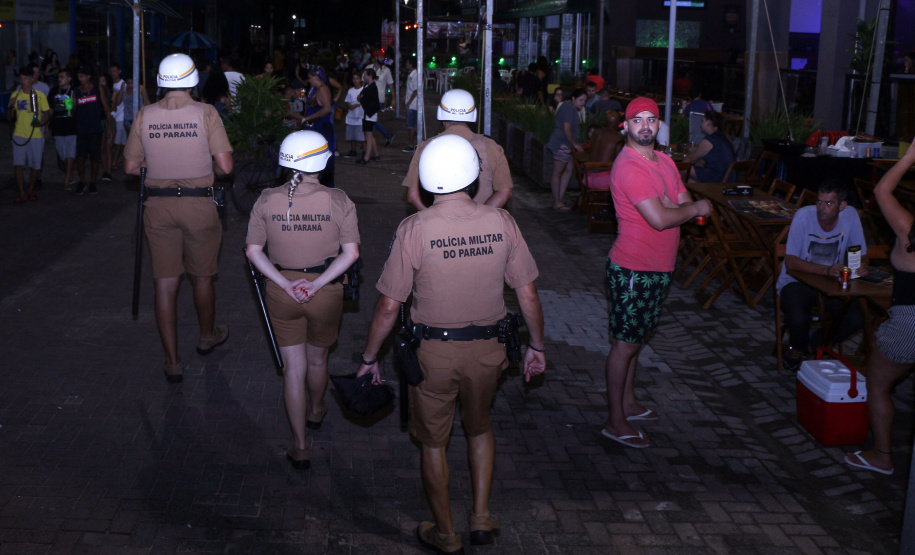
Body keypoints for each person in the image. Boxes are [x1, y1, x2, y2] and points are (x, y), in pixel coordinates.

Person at [357, 134, 546, 554]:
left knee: (433, 442)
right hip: (490, 352)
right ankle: (480, 516)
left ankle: (445, 533)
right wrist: (537, 346)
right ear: (473, 174)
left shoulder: (414, 228)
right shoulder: (501, 223)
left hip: (433, 357)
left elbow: (389, 307)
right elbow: (528, 295)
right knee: (479, 428)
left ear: (426, 177)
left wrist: (370, 358)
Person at [245, 130, 360, 470]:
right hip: (324, 293)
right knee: (317, 360)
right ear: (322, 161)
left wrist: (283, 282)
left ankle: (300, 445)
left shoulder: (266, 199)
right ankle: (316, 409)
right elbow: (351, 254)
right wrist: (317, 284)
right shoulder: (339, 200)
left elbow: (253, 251)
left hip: (281, 294)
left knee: (292, 370)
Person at [603, 97, 712, 448]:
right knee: (624, 345)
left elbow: (677, 202)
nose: (645, 126)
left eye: (652, 119)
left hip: (658, 268)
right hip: (633, 268)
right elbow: (663, 217)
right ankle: (615, 420)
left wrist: (680, 206)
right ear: (626, 125)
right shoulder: (630, 166)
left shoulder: (664, 161)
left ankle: (629, 403)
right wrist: (692, 207)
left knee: (636, 341)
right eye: (638, 120)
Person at [124, 53, 234, 384]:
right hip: (199, 205)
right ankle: (206, 336)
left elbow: (130, 167)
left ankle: (172, 361)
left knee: (165, 282)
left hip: (157, 207)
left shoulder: (145, 114)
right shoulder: (206, 113)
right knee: (202, 277)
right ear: (192, 80)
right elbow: (226, 167)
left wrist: (157, 163)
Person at [844, 145, 915, 476]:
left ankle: (882, 455)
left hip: (911, 321)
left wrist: (909, 157)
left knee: (877, 381)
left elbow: (881, 189)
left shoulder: (907, 228)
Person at [775, 180, 870, 372]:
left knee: (856, 318)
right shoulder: (803, 217)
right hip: (797, 281)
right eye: (819, 202)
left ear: (842, 205)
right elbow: (791, 262)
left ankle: (815, 344)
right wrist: (826, 270)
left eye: (828, 203)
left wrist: (862, 265)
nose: (821, 208)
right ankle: (798, 347)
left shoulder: (850, 216)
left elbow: (859, 252)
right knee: (799, 317)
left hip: (830, 285)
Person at [403, 89, 513, 211]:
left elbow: (412, 196)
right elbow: (505, 191)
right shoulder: (492, 146)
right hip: (482, 228)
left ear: (440, 113)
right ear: (473, 115)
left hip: (439, 226)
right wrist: (480, 217)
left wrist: (431, 217)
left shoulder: (425, 147)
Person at [8, 65, 50, 203]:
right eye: (21, 79)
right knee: (18, 165)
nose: (23, 81)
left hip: (35, 135)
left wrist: (41, 124)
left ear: (32, 79)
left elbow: (46, 114)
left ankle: (30, 190)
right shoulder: (16, 94)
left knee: (34, 165)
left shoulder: (39, 95)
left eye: (25, 79)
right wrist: (10, 106)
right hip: (19, 134)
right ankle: (21, 192)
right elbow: (9, 117)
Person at [546, 87, 587, 211]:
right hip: (562, 143)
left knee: (568, 170)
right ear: (573, 98)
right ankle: (557, 202)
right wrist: (576, 144)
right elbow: (567, 129)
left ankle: (560, 199)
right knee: (558, 172)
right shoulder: (569, 108)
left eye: (584, 101)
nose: (583, 103)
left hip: (565, 142)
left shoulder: (569, 107)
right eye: (581, 100)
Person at [73, 66, 110, 195]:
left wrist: (109, 126)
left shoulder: (97, 89)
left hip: (95, 128)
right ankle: (82, 181)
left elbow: (105, 107)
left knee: (95, 157)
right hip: (82, 129)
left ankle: (93, 182)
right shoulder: (76, 91)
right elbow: (72, 109)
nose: (80, 79)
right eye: (78, 76)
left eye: (82, 76)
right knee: (80, 158)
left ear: (88, 76)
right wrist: (67, 104)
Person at [301, 66, 336, 188]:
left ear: (317, 78)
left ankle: (324, 187)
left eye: (311, 78)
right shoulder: (315, 88)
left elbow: (327, 109)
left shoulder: (323, 89)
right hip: (315, 127)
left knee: (322, 160)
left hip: (321, 128)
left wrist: (309, 118)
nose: (309, 80)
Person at [683, 110, 735, 183]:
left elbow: (692, 159)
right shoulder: (724, 137)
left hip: (717, 177)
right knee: (688, 180)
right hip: (728, 177)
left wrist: (687, 157)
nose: (701, 124)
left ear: (708, 123)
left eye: (702, 121)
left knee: (683, 169)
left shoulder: (709, 140)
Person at [49, 68, 78, 190]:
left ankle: (66, 180)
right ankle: (69, 174)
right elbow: (50, 110)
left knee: (70, 154)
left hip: (71, 127)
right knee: (62, 154)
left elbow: (75, 109)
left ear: (69, 78)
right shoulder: (54, 91)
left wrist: (72, 103)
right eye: (59, 77)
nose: (60, 79)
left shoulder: (74, 91)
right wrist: (47, 127)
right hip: (57, 127)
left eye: (62, 77)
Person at [366, 51, 394, 146]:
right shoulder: (368, 68)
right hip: (368, 99)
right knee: (372, 120)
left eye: (383, 57)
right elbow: (363, 82)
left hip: (379, 100)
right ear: (376, 57)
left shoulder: (386, 70)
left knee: (372, 120)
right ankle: (387, 135)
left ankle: (370, 143)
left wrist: (393, 98)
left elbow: (390, 84)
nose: (383, 59)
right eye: (381, 57)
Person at [357, 68, 380, 165]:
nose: (363, 77)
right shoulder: (369, 86)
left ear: (370, 76)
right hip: (369, 114)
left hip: (370, 114)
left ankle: (367, 157)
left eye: (365, 75)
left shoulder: (371, 88)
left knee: (369, 136)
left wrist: (361, 98)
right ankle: (375, 154)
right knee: (369, 135)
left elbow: (363, 99)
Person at [108, 63, 127, 173]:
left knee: (119, 140)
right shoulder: (110, 84)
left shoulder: (122, 84)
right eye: (111, 71)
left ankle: (115, 160)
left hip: (120, 115)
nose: (113, 73)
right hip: (112, 115)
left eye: (115, 71)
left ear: (119, 71)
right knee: (114, 140)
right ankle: (116, 159)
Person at [343, 73, 365, 157]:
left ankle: (364, 150)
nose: (355, 80)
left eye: (357, 78)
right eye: (354, 79)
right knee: (352, 135)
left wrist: (356, 105)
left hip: (360, 115)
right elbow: (347, 100)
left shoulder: (363, 90)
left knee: (361, 135)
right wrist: (350, 106)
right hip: (351, 116)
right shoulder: (350, 90)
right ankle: (353, 150)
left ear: (360, 79)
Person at [402, 58, 418, 153]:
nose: (406, 64)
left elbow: (415, 91)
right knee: (411, 125)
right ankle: (418, 140)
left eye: (408, 63)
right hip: (410, 102)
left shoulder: (415, 75)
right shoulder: (411, 74)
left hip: (413, 104)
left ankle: (411, 144)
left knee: (410, 125)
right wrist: (405, 96)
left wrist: (409, 101)